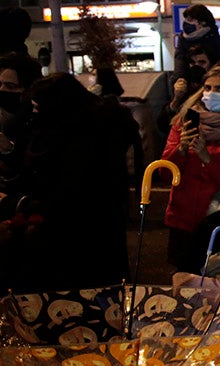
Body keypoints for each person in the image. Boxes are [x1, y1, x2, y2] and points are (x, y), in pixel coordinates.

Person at [2, 73, 136, 291]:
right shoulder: (78, 132)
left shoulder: (81, 143)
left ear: (56, 107)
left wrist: (15, 203)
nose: (33, 114)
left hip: (78, 251)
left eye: (37, 108)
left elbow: (66, 200)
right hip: (90, 247)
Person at [161, 61, 220, 270]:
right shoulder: (185, 122)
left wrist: (208, 159)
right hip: (183, 221)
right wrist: (180, 150)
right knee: (183, 284)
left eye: (219, 89)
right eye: (208, 88)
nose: (211, 93)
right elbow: (164, 174)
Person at [0, 53, 43, 202]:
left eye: (10, 86)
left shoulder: (38, 123)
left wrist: (8, 151)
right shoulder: (9, 118)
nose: (2, 90)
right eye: (1, 84)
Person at [158, 45, 216, 135]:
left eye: (202, 62)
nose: (196, 66)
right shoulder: (183, 87)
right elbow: (163, 125)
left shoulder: (215, 89)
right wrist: (176, 99)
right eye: (192, 63)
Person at [173, 4, 220, 85]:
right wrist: (180, 80)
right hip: (189, 79)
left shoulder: (213, 37)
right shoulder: (183, 38)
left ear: (202, 23)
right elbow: (179, 59)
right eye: (186, 19)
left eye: (190, 20)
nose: (186, 23)